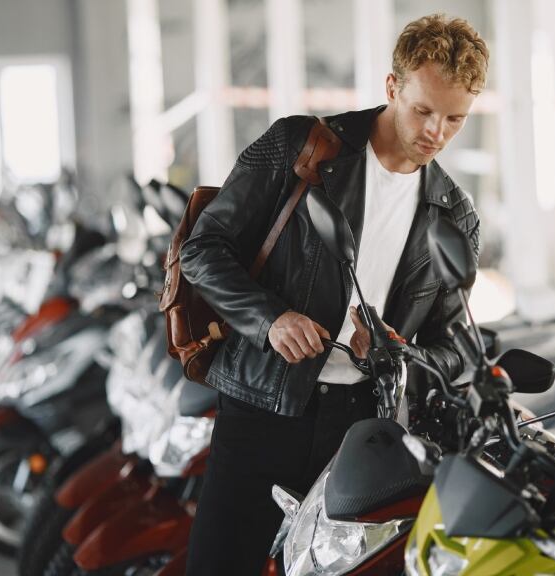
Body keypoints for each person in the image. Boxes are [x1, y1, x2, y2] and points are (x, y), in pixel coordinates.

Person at [180, 13, 489, 575]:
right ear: (392, 87)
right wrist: (270, 319)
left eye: (454, 119)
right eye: (423, 110)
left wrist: (401, 352)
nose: (435, 132)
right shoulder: (304, 147)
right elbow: (203, 249)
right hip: (262, 405)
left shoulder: (454, 215)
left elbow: (455, 347)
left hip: (361, 430)